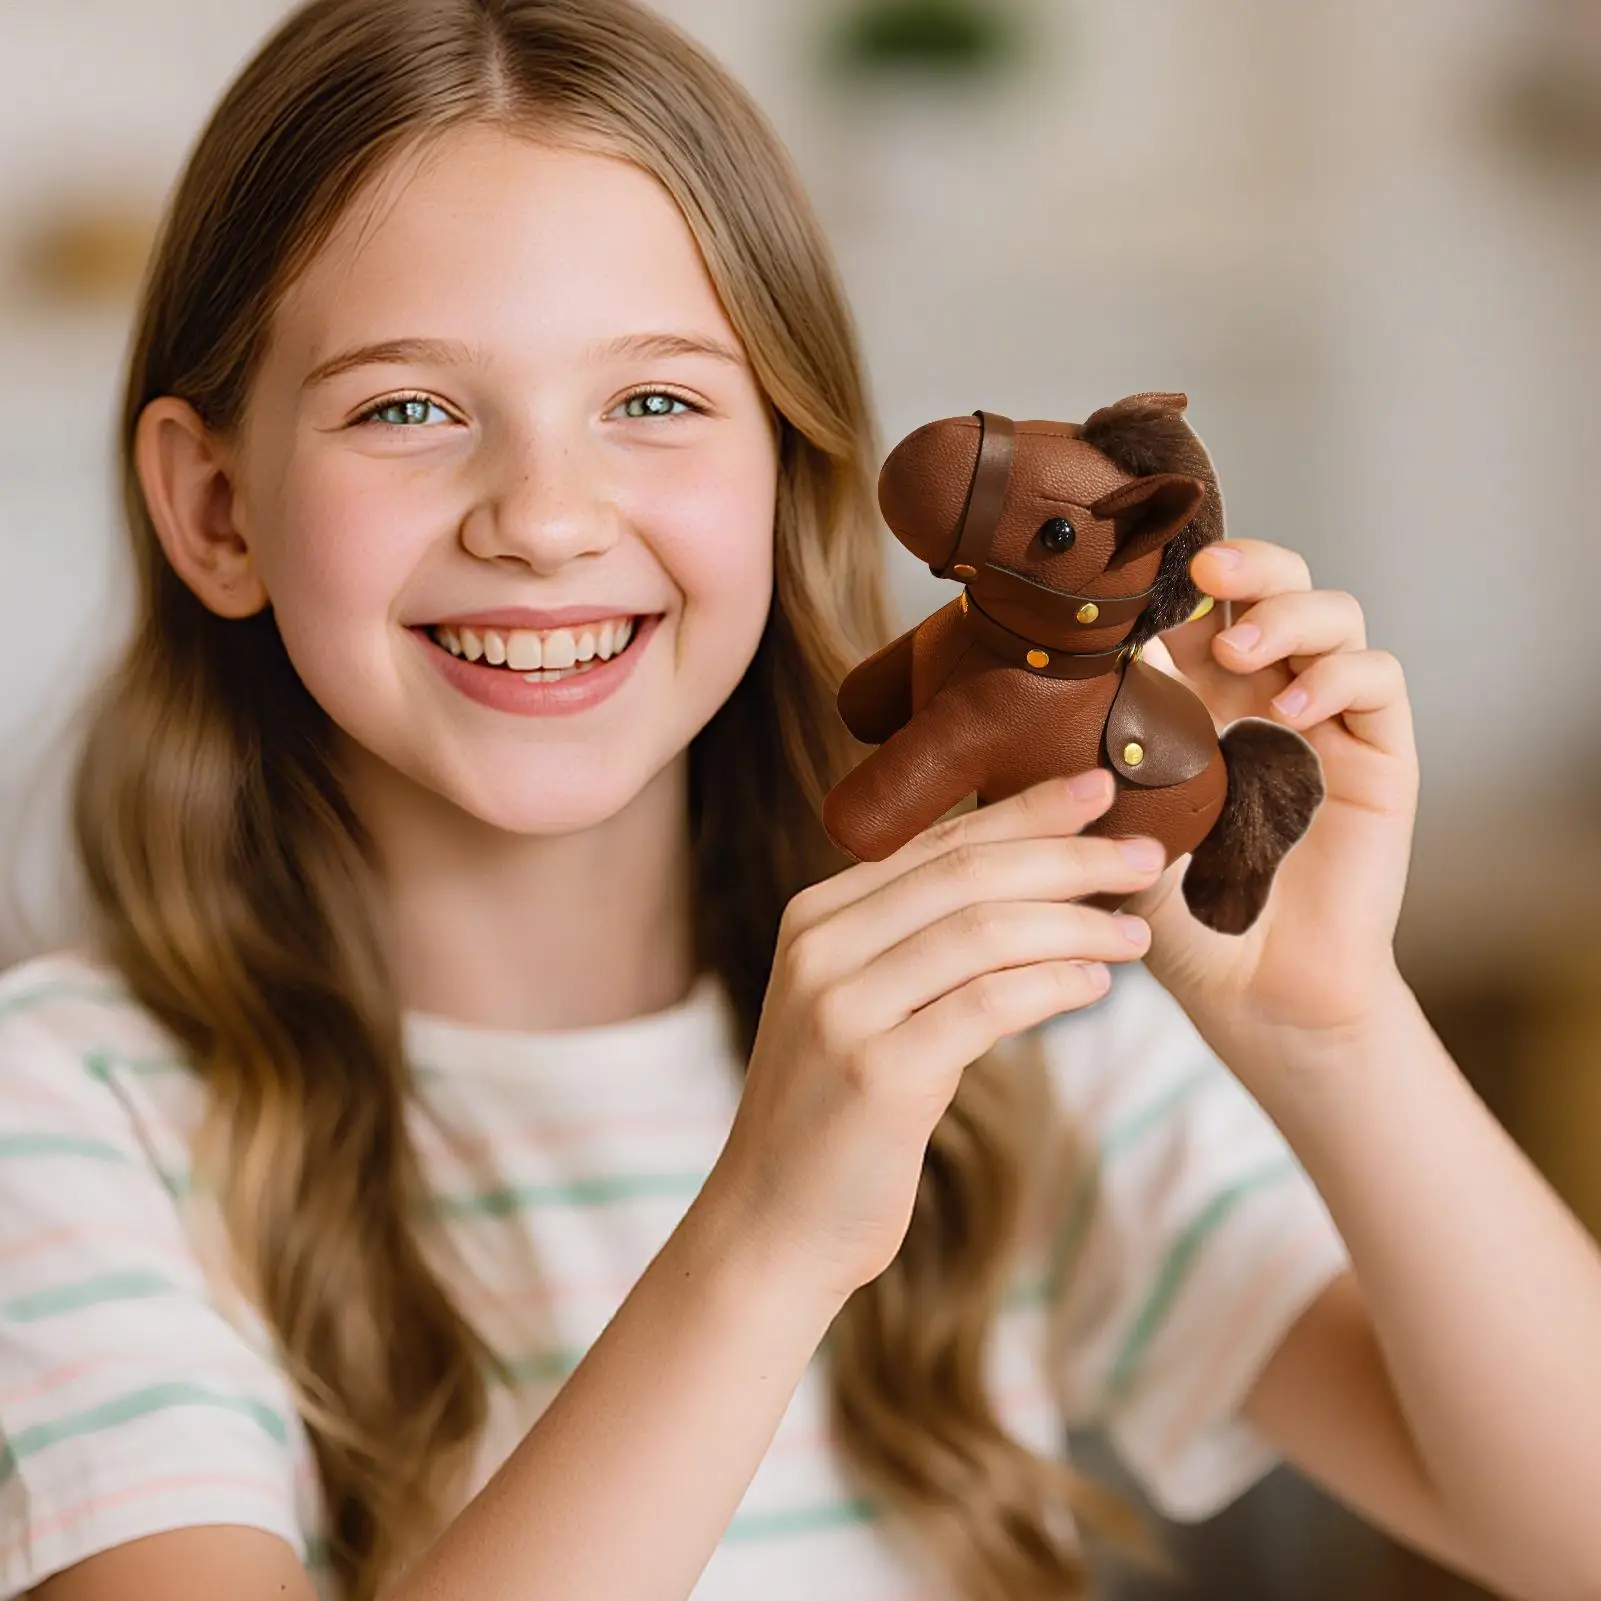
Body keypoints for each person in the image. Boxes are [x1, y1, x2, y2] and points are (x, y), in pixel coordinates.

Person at [2, 2, 1599, 1599]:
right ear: (215, 508)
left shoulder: (1018, 1024)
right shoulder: (73, 1120)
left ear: (789, 473)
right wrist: (765, 1239)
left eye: (658, 402)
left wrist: (1331, 1029)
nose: (547, 521)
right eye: (406, 408)